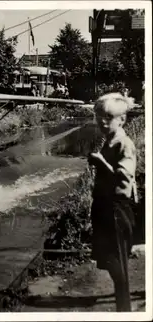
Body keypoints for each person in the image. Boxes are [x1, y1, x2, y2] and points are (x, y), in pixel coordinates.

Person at [88, 92, 137, 312]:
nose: (102, 121)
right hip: (106, 208)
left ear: (122, 120)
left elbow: (123, 178)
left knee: (118, 263)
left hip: (116, 209)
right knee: (107, 256)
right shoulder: (110, 141)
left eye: (108, 117)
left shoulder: (124, 144)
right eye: (99, 116)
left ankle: (124, 310)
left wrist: (100, 163)